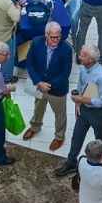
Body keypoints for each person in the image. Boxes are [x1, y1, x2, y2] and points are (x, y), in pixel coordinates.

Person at [54, 45, 102, 176]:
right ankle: (71, 162)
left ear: (91, 59)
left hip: (99, 113)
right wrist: (78, 104)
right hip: (84, 109)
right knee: (77, 135)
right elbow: (80, 86)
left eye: (83, 55)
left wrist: (81, 100)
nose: (79, 57)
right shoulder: (83, 68)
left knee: (101, 137)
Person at [22, 21, 72, 150]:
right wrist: (38, 82)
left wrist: (48, 85)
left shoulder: (66, 50)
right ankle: (35, 127)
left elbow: (65, 73)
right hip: (39, 86)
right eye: (52, 37)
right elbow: (30, 64)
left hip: (57, 89)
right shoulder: (36, 42)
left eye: (58, 36)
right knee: (38, 108)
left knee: (60, 114)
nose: (55, 40)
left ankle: (59, 136)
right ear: (46, 34)